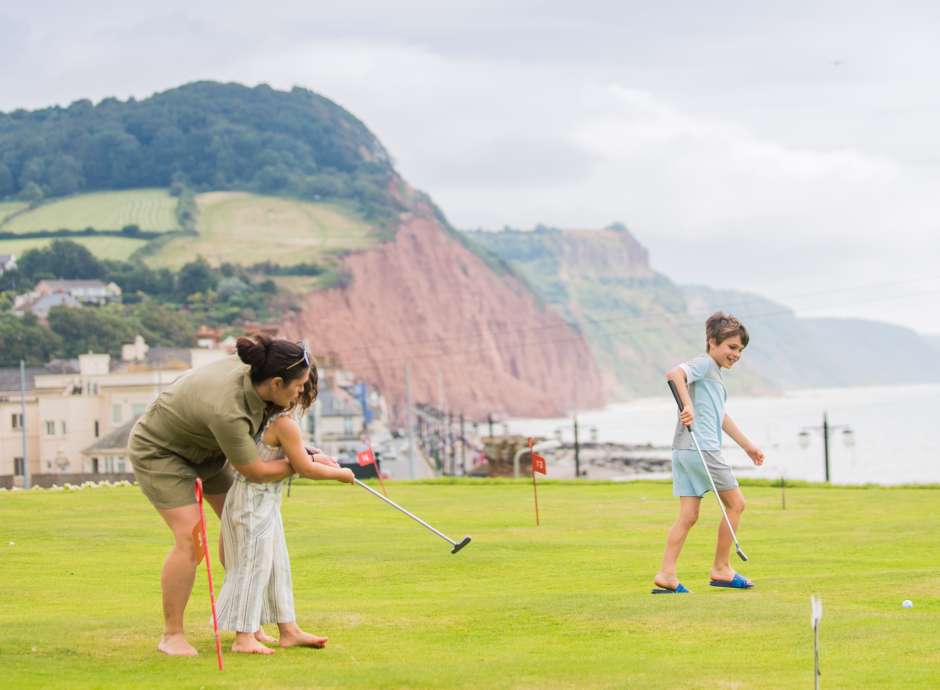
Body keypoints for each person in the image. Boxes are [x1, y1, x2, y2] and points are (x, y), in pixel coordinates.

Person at [129, 334, 338, 656]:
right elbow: (255, 471)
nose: (300, 393)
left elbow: (261, 438)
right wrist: (302, 464)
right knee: (191, 538)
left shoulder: (259, 373)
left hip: (210, 450)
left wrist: (302, 454)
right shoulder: (227, 410)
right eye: (298, 386)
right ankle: (172, 635)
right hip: (162, 452)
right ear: (276, 383)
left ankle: (255, 625)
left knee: (245, 529)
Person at [215, 366, 355, 654]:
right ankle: (244, 637)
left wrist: (315, 455)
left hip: (262, 500)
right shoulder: (283, 423)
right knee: (254, 565)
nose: (301, 396)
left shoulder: (265, 415)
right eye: (302, 390)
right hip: (253, 503)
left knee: (277, 565)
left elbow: (297, 453)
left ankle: (288, 629)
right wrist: (341, 475)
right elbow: (303, 467)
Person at [651, 312, 765, 594]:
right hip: (702, 449)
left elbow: (719, 416)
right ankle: (721, 569)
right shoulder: (704, 364)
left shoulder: (714, 375)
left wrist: (747, 445)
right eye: (731, 347)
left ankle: (666, 574)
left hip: (684, 451)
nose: (736, 354)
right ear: (712, 342)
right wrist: (686, 406)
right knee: (736, 504)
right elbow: (674, 374)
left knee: (688, 515)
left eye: (740, 349)